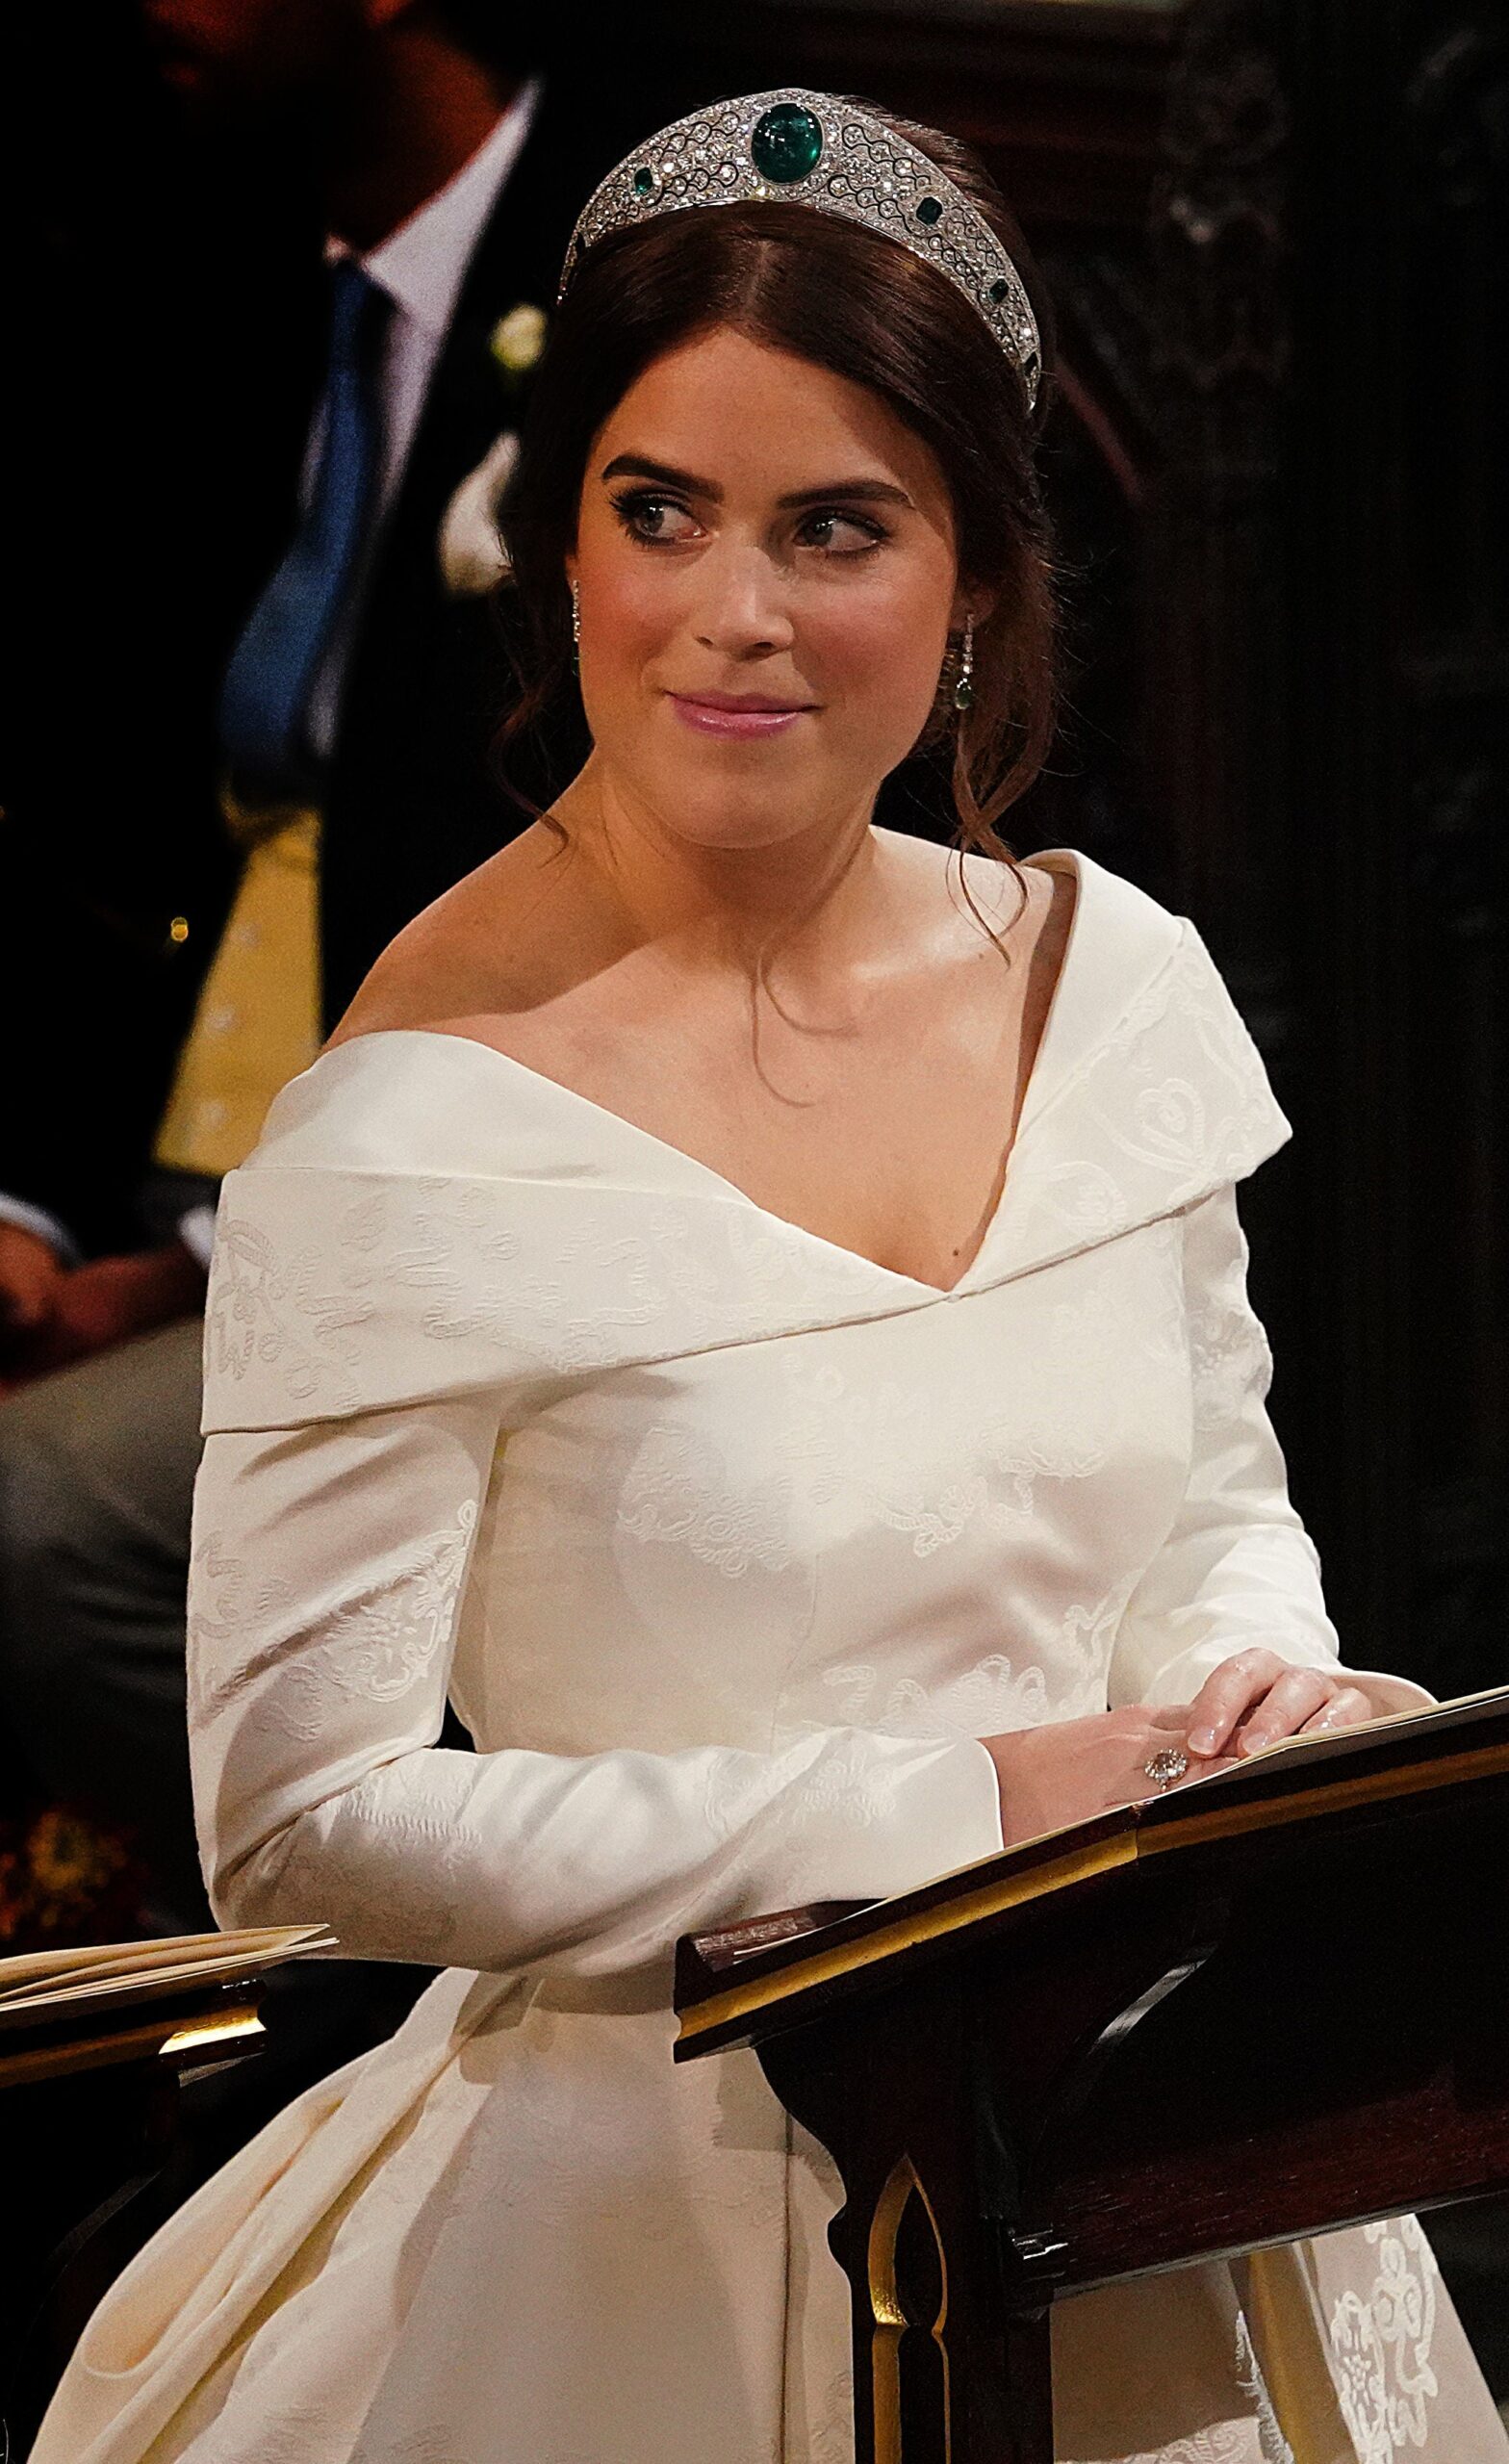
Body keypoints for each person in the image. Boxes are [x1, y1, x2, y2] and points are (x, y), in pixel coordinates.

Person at [34, 89, 1507, 2464]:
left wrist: (1263, 1698)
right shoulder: (415, 1122)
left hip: (1164, 2155)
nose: (733, 612)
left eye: (835, 527)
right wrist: (959, 1799)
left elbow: (1210, 1506)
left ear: (975, 585)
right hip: (657, 2209)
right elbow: (303, 1828)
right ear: (566, 550)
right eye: (660, 513)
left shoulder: (1106, 984)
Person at [0, 0, 658, 1930]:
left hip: (464, 1187)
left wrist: (204, 1262)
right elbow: (99, 797)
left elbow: (577, 919)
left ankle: (388, 2002)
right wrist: (34, 1202)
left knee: (40, 1527)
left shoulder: (617, 288)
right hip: (184, 1136)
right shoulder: (210, 256)